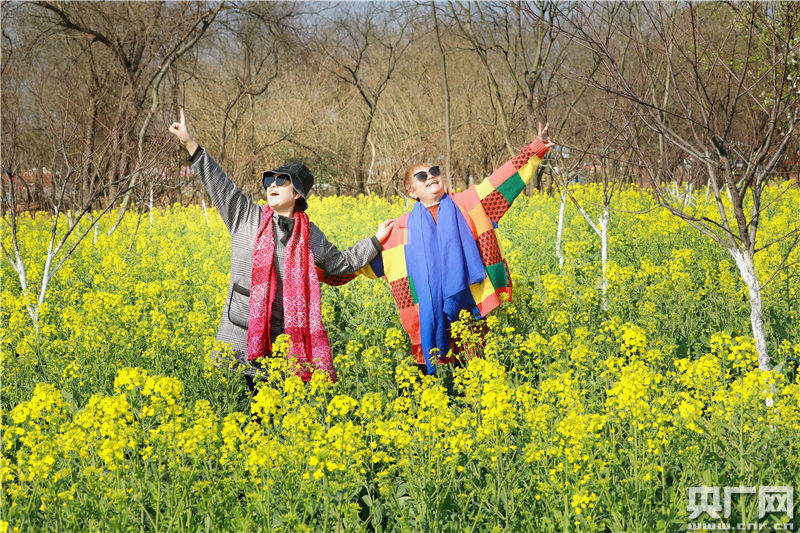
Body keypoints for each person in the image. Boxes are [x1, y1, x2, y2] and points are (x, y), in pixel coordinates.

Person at [168, 109, 392, 391]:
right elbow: (219, 185)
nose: (271, 184)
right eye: (268, 180)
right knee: (257, 403)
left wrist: (375, 240)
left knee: (282, 407)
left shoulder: (310, 235)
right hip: (245, 325)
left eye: (281, 180)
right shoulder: (245, 216)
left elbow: (341, 264)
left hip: (288, 336)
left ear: (297, 194)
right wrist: (190, 144)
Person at [360, 123, 555, 374]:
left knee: (477, 367)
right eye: (422, 176)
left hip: (470, 302)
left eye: (434, 171)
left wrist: (535, 149)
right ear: (412, 191)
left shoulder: (470, 203)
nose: (430, 176)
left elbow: (503, 181)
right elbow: (358, 265)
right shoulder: (399, 230)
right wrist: (318, 264)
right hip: (429, 311)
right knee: (439, 375)